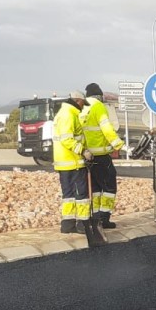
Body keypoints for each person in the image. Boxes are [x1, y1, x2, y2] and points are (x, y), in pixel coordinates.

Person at [80, 83, 125, 229]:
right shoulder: (98, 106)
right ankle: (104, 218)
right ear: (99, 95)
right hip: (101, 155)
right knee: (109, 187)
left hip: (88, 156)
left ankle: (95, 217)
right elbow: (107, 129)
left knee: (95, 189)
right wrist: (120, 145)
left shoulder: (82, 108)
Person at [53, 90, 93, 234]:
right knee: (81, 194)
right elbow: (67, 139)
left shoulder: (63, 113)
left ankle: (68, 224)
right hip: (73, 162)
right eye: (83, 103)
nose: (83, 107)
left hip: (64, 163)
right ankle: (83, 224)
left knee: (68, 195)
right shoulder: (68, 115)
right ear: (78, 101)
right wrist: (83, 151)